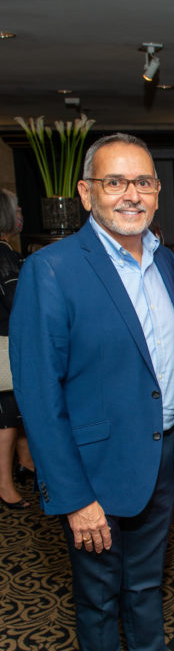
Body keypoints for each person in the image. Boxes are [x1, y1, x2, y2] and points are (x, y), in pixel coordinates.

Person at [10, 133, 174, 651]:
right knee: (99, 595)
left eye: (144, 182)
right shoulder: (53, 269)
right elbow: (40, 396)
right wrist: (73, 496)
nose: (132, 194)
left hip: (156, 457)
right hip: (92, 471)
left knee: (148, 582)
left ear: (157, 191)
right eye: (116, 182)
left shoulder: (168, 262)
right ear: (87, 192)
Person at [0, 189, 34, 508]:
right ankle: (5, 486)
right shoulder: (5, 257)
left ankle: (25, 462)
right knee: (7, 414)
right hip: (4, 344)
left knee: (17, 409)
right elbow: (18, 305)